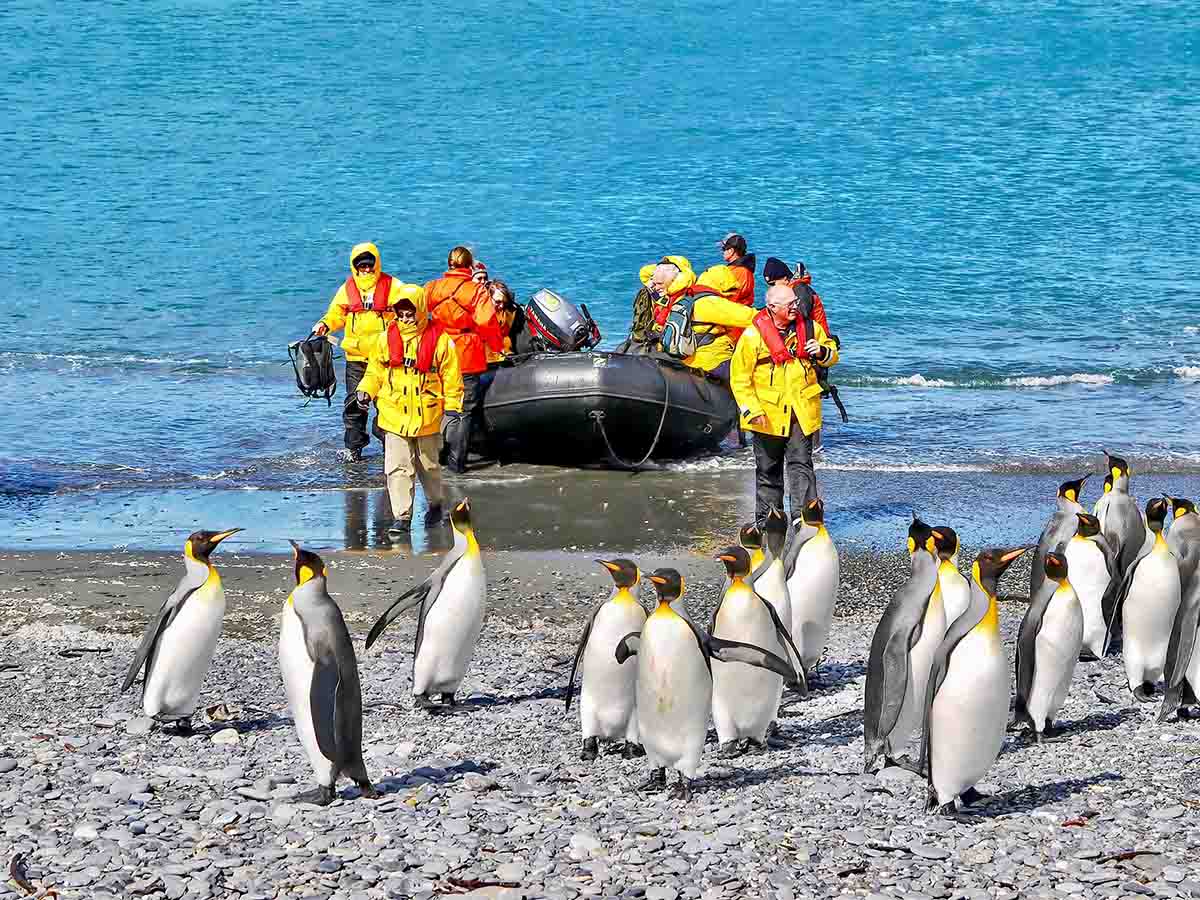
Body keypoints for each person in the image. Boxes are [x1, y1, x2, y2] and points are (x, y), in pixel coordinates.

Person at [355, 285, 463, 536]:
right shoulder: (385, 339)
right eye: (400, 313)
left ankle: (436, 504)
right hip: (393, 415)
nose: (405, 318)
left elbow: (452, 378)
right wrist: (364, 391)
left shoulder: (441, 341)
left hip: (428, 415)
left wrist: (454, 409)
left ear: (420, 310)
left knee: (429, 466)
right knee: (397, 467)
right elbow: (374, 373)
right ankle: (401, 518)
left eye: (409, 312)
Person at [731, 282, 839, 524]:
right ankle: (769, 520)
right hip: (766, 414)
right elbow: (739, 378)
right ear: (771, 307)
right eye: (789, 304)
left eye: (795, 302)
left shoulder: (811, 329)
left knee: (802, 465)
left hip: (801, 411)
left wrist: (822, 351)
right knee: (768, 470)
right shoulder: (752, 336)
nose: (795, 307)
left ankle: (805, 519)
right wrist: (751, 410)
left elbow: (833, 355)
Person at [314, 243, 407, 461]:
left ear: (376, 264)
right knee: (354, 405)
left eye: (369, 265)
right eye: (361, 266)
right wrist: (324, 325)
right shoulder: (347, 289)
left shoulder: (394, 286)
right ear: (354, 267)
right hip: (356, 359)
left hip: (385, 359)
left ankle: (390, 448)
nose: (365, 269)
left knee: (387, 405)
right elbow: (335, 314)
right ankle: (353, 450)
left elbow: (411, 307)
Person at [424, 246, 503, 474]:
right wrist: (497, 347)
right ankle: (456, 464)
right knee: (463, 411)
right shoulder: (476, 291)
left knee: (438, 404)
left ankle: (433, 457)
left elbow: (417, 310)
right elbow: (487, 322)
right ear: (469, 266)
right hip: (466, 353)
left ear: (449, 264)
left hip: (437, 351)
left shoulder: (432, 287)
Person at [672, 264, 757, 380]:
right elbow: (749, 317)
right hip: (713, 360)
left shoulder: (688, 297)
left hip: (689, 358)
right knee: (754, 375)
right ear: (721, 284)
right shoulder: (711, 303)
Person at [624, 255, 696, 352]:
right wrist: (664, 266)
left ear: (675, 280)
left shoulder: (684, 297)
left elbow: (686, 278)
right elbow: (644, 273)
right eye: (655, 283)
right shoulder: (661, 294)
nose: (656, 288)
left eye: (660, 284)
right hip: (655, 338)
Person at [486, 280, 525, 363]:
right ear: (489, 297)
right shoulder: (482, 313)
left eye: (504, 302)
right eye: (498, 302)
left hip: (506, 353)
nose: (502, 306)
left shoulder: (511, 311)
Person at [718, 233, 756, 307]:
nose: (722, 252)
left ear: (731, 251)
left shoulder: (737, 271)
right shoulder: (745, 268)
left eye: (724, 249)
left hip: (736, 310)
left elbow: (732, 297)